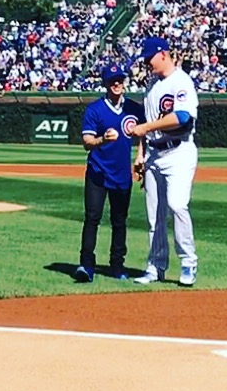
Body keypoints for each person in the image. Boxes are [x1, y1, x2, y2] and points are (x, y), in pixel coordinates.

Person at [128, 37, 200, 287]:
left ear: (163, 54)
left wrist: (147, 127)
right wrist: (140, 154)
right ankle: (155, 266)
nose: (147, 63)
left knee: (177, 205)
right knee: (154, 216)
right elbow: (145, 125)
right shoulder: (152, 84)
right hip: (154, 154)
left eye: (150, 58)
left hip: (178, 152)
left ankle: (188, 261)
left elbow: (182, 117)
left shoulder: (181, 81)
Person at [74, 63, 145, 283]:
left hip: (122, 174)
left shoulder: (133, 108)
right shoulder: (95, 109)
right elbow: (87, 142)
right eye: (112, 80)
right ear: (105, 83)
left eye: (120, 80)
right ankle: (86, 265)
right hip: (98, 172)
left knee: (119, 221)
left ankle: (117, 265)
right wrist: (102, 140)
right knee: (92, 218)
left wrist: (140, 155)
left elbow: (145, 133)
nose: (117, 84)